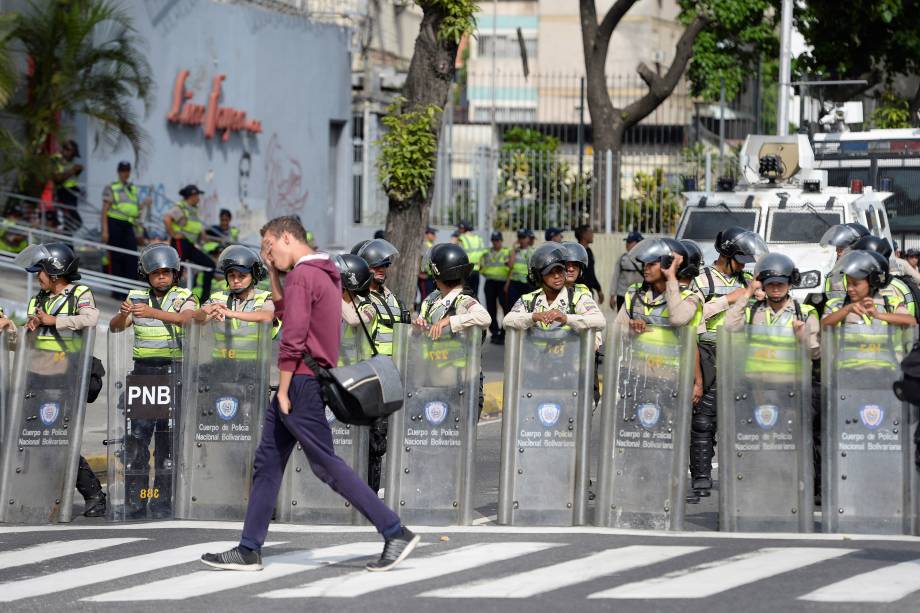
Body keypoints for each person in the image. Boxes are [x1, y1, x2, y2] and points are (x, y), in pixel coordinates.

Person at [202, 216, 419, 572]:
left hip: (300, 382)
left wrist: (284, 389)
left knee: (327, 466)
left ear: (286, 237)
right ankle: (249, 548)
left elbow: (293, 335)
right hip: (305, 379)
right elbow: (285, 311)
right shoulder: (324, 270)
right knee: (268, 462)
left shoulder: (304, 274)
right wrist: (273, 274)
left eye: (270, 247)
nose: (268, 254)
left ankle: (394, 530)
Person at [16, 242, 106, 517]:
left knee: (58, 437)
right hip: (37, 376)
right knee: (33, 436)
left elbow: (91, 319)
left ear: (55, 271)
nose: (37, 277)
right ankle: (39, 491)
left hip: (66, 376)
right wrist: (25, 327)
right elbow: (32, 330)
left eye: (40, 271)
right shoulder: (37, 300)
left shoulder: (79, 293)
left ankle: (94, 495)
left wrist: (54, 321)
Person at [109, 244, 199, 519]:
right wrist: (124, 313)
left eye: (166, 272)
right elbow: (115, 326)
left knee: (167, 442)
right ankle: (135, 502)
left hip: (174, 372)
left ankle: (161, 503)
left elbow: (188, 319)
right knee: (137, 439)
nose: (161, 277)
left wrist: (153, 313)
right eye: (155, 273)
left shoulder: (185, 295)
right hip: (144, 374)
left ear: (175, 273)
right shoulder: (135, 296)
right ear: (145, 274)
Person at [724, 252, 822, 503]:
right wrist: (747, 293)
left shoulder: (804, 311)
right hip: (757, 388)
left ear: (791, 283)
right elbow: (729, 326)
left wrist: (803, 336)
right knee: (759, 440)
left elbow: (816, 351)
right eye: (770, 283)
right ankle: (762, 486)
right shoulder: (753, 310)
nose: (776, 288)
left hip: (792, 388)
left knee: (796, 440)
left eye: (781, 282)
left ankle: (803, 489)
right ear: (763, 285)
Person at [691, 226, 768, 501]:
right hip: (710, 350)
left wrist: (759, 294)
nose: (743, 265)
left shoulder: (747, 278)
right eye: (740, 259)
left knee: (744, 418)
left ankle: (745, 473)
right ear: (725, 254)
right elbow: (694, 318)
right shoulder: (701, 280)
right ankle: (700, 475)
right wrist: (728, 299)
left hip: (742, 354)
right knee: (703, 419)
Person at [357, 238, 408, 493]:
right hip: (369, 376)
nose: (381, 270)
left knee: (381, 439)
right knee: (370, 441)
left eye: (384, 265)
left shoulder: (391, 297)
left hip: (392, 376)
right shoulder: (359, 298)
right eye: (375, 266)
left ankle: (373, 491)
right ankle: (367, 492)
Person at [503, 242, 606, 333]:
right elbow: (507, 321)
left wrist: (566, 318)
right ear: (539, 276)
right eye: (550, 272)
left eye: (560, 270)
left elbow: (599, 321)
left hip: (569, 354)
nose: (557, 276)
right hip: (535, 354)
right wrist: (533, 316)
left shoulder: (578, 297)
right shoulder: (529, 300)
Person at [821, 250, 915, 329]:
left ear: (872, 283)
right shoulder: (836, 305)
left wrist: (878, 315)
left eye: (855, 284)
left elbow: (911, 321)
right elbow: (823, 324)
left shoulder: (890, 303)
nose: (849, 288)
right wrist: (846, 309)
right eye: (848, 283)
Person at [195, 245, 275, 336]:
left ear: (254, 276)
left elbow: (268, 316)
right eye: (231, 276)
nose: (236, 280)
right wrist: (203, 311)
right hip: (220, 351)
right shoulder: (218, 297)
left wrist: (231, 313)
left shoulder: (266, 297)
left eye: (242, 276)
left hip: (254, 351)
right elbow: (194, 321)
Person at [101, 161, 151, 291]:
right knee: (116, 256)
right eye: (123, 171)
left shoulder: (132, 188)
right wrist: (105, 231)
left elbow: (135, 210)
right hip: (114, 223)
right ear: (119, 172)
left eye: (127, 170)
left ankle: (129, 289)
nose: (125, 173)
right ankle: (117, 290)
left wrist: (145, 204)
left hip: (129, 224)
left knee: (131, 256)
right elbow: (104, 210)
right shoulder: (111, 187)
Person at [164, 185, 215, 301]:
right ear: (191, 196)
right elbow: (167, 219)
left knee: (210, 265)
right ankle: (167, 299)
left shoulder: (193, 209)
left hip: (189, 244)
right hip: (179, 242)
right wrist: (173, 234)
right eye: (197, 195)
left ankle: (204, 299)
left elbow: (194, 225)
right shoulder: (181, 207)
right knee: (177, 270)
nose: (199, 198)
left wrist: (202, 234)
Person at [334, 253, 378, 365]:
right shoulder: (330, 306)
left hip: (356, 372)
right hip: (331, 372)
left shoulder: (368, 307)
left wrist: (331, 293)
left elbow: (353, 320)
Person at [819, 222, 870, 301]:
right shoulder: (834, 275)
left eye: (841, 247)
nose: (836, 250)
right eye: (837, 247)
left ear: (859, 246)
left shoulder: (874, 276)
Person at [480, 231, 511, 344]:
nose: (495, 242)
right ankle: (494, 332)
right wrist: (486, 272)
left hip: (503, 283)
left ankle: (504, 331)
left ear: (501, 241)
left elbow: (511, 267)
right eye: (493, 240)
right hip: (490, 282)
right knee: (491, 308)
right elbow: (481, 265)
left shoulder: (507, 252)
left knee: (505, 307)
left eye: (497, 240)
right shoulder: (487, 253)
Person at [51, 140, 83, 232]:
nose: (72, 157)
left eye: (74, 155)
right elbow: (57, 179)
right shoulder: (56, 159)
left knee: (73, 222)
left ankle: (67, 241)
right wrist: (73, 170)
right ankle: (62, 237)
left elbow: (71, 178)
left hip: (72, 194)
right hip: (62, 193)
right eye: (71, 153)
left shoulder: (71, 161)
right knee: (74, 222)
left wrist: (77, 171)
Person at [612, 231, 645, 310]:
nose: (627, 244)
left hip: (639, 296)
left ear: (638, 243)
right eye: (627, 241)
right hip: (622, 295)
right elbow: (615, 277)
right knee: (621, 321)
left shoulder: (645, 259)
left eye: (629, 242)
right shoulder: (622, 258)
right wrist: (612, 295)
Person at [506, 228, 535, 314]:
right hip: (515, 283)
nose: (521, 240)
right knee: (513, 307)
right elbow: (510, 266)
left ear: (528, 238)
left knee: (527, 307)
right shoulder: (513, 251)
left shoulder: (533, 251)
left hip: (527, 283)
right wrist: (514, 250)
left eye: (523, 237)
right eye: (519, 237)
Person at [574, 225, 603, 304]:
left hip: (588, 292)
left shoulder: (589, 251)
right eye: (591, 232)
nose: (593, 235)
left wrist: (598, 289)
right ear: (584, 235)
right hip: (578, 293)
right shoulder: (576, 251)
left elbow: (591, 273)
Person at [456, 220, 486, 297]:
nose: (458, 230)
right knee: (474, 294)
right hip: (476, 271)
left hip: (466, 271)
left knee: (465, 296)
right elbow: (483, 256)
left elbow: (459, 256)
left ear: (463, 228)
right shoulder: (479, 239)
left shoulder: (462, 238)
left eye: (459, 228)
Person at [417, 226, 437, 301]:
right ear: (426, 234)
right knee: (425, 296)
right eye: (432, 233)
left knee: (430, 295)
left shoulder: (430, 245)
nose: (434, 236)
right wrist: (421, 271)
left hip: (430, 275)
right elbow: (421, 259)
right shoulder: (425, 245)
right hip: (424, 276)